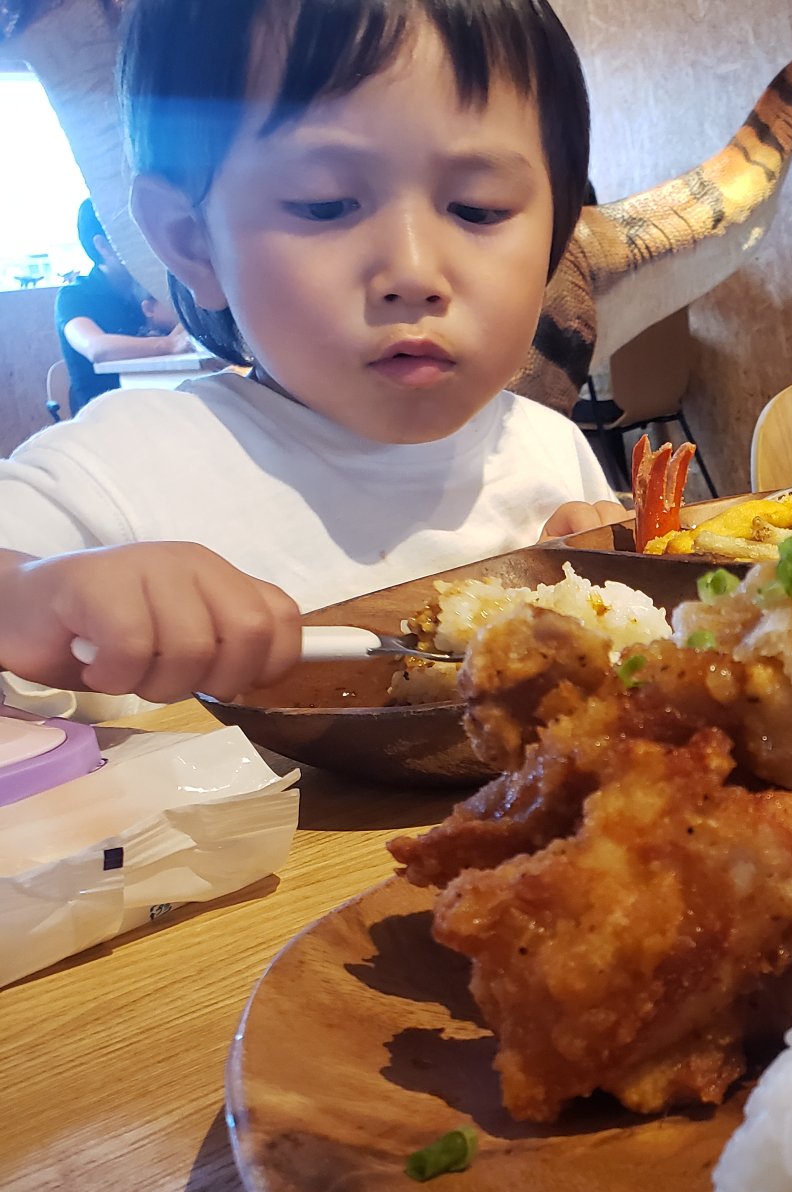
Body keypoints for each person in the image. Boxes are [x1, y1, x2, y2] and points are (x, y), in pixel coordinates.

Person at [0, 0, 622, 710]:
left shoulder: (550, 447)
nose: (414, 272)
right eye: (324, 204)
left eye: (478, 208)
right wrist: (34, 597)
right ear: (190, 240)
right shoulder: (123, 469)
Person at [54, 199, 195, 414]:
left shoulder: (148, 287)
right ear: (103, 246)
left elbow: (185, 328)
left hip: (159, 408)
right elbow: (96, 348)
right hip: (105, 421)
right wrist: (168, 344)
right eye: (135, 235)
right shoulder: (74, 296)